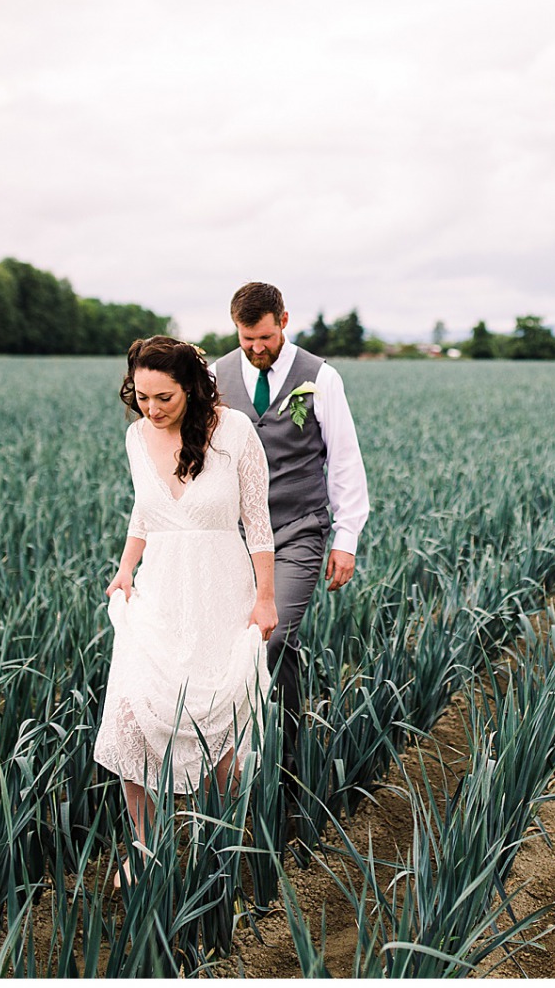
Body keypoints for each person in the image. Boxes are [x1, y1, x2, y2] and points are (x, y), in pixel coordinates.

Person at [94, 335, 279, 883]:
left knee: (219, 716)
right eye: (141, 396)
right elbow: (142, 512)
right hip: (160, 591)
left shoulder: (235, 432)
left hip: (222, 588)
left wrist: (264, 598)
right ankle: (146, 847)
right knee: (133, 712)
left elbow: (259, 523)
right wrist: (126, 568)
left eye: (164, 398)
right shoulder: (135, 436)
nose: (151, 409)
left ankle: (215, 849)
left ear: (192, 389)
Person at [209, 282, 370, 810]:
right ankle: (292, 754)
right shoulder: (216, 375)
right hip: (235, 537)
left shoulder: (320, 377)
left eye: (264, 336)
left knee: (267, 637)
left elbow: (343, 460)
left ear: (284, 320)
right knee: (271, 647)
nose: (255, 348)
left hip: (299, 528)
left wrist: (345, 539)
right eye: (245, 337)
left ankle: (259, 759)